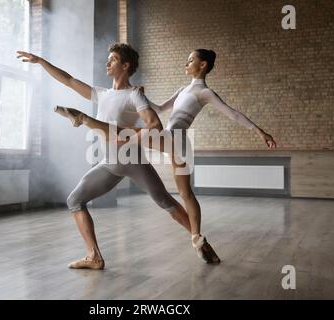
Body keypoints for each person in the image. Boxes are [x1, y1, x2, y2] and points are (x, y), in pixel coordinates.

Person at [52, 49, 277, 263]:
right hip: (169, 139)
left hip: (176, 141)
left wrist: (259, 131)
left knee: (184, 193)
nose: (186, 63)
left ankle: (83, 119)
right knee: (170, 191)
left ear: (203, 65)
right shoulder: (182, 90)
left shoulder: (204, 92)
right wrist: (140, 96)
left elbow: (234, 114)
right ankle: (199, 240)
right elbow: (158, 110)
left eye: (190, 60)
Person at [16, 44, 220, 270]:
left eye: (112, 59)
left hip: (133, 162)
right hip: (109, 164)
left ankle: (198, 239)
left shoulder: (134, 95)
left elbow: (155, 125)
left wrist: (128, 138)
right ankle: (94, 257)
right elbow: (68, 80)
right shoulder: (101, 94)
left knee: (165, 201)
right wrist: (41, 62)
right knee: (74, 201)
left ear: (125, 66)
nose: (107, 62)